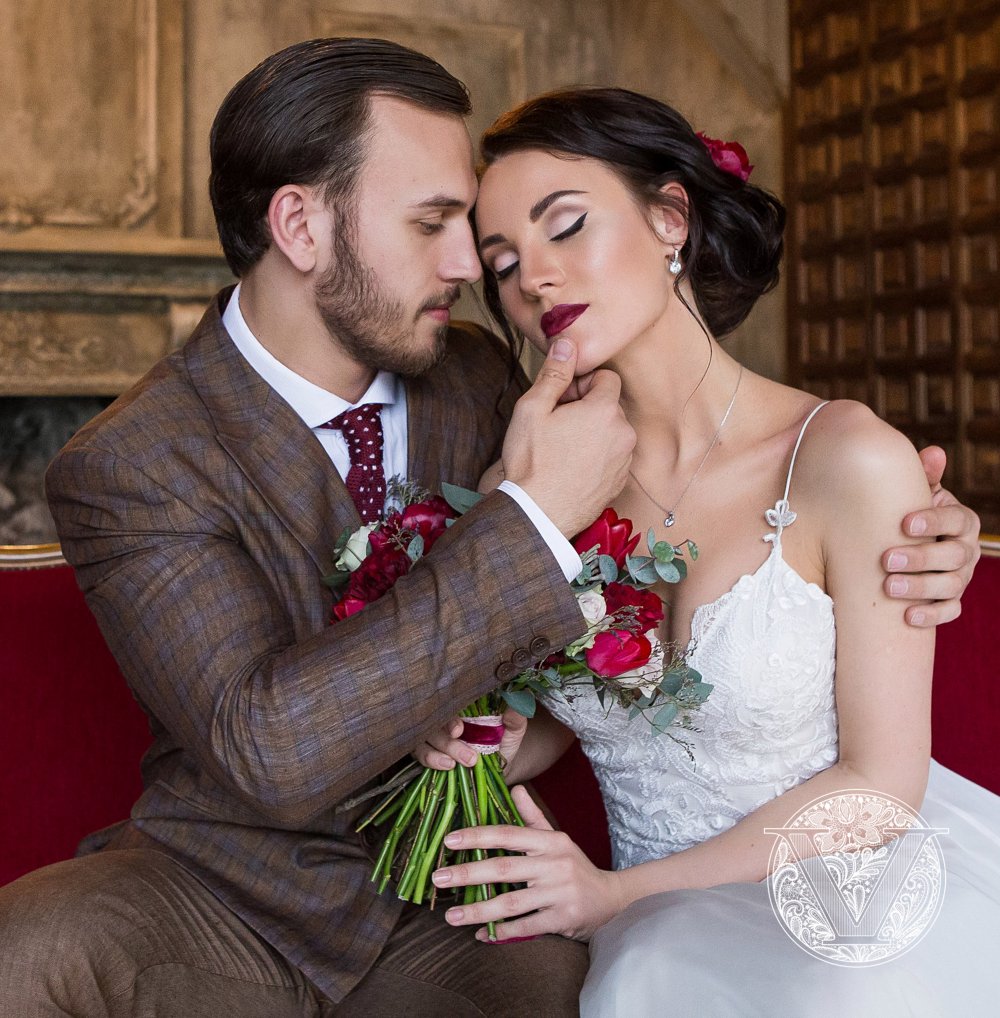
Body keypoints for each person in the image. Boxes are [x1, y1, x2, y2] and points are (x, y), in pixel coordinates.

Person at [0, 39, 980, 1018]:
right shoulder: (133, 459)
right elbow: (277, 746)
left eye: (506, 236)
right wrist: (530, 533)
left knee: (586, 987)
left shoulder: (485, 382)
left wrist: (926, 526)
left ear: (671, 219)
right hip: (224, 876)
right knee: (26, 949)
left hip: (487, 891)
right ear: (299, 225)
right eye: (443, 227)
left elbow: (716, 554)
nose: (480, 271)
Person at [415, 86, 1000, 1015]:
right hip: (659, 924)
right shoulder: (534, 483)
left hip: (853, 891)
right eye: (504, 263)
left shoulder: (845, 459)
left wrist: (615, 896)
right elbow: (596, 712)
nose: (535, 280)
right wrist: (484, 736)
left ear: (669, 218)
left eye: (566, 226)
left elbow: (881, 788)